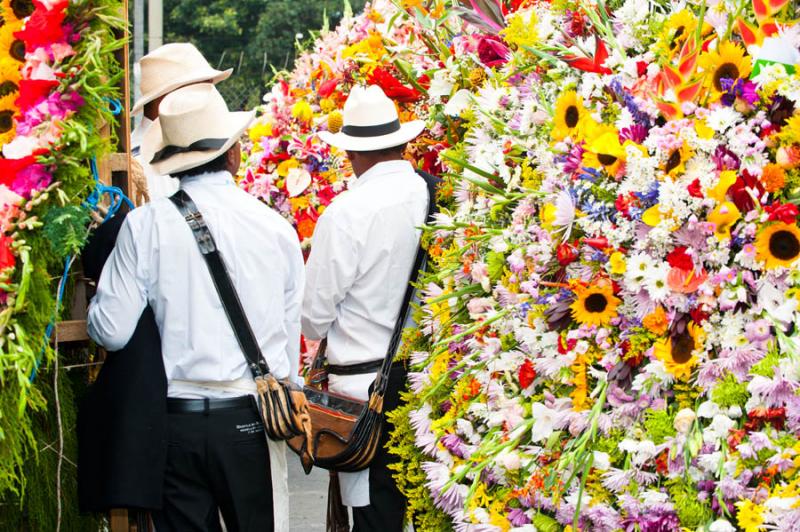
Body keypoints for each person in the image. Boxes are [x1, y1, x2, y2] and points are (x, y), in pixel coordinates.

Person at [87, 83, 304, 532]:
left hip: (176, 421)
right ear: (233, 154)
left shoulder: (144, 225)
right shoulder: (275, 227)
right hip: (252, 417)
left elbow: (110, 331)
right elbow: (287, 337)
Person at [302, 85, 429, 531]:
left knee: (374, 515)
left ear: (353, 153)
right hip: (426, 380)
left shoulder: (346, 212)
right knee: (424, 501)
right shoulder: (432, 198)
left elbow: (314, 315)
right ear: (401, 143)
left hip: (362, 387)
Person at [130, 42, 232, 199]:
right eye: (200, 90)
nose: (210, 99)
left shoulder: (161, 151)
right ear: (166, 97)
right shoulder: (147, 163)